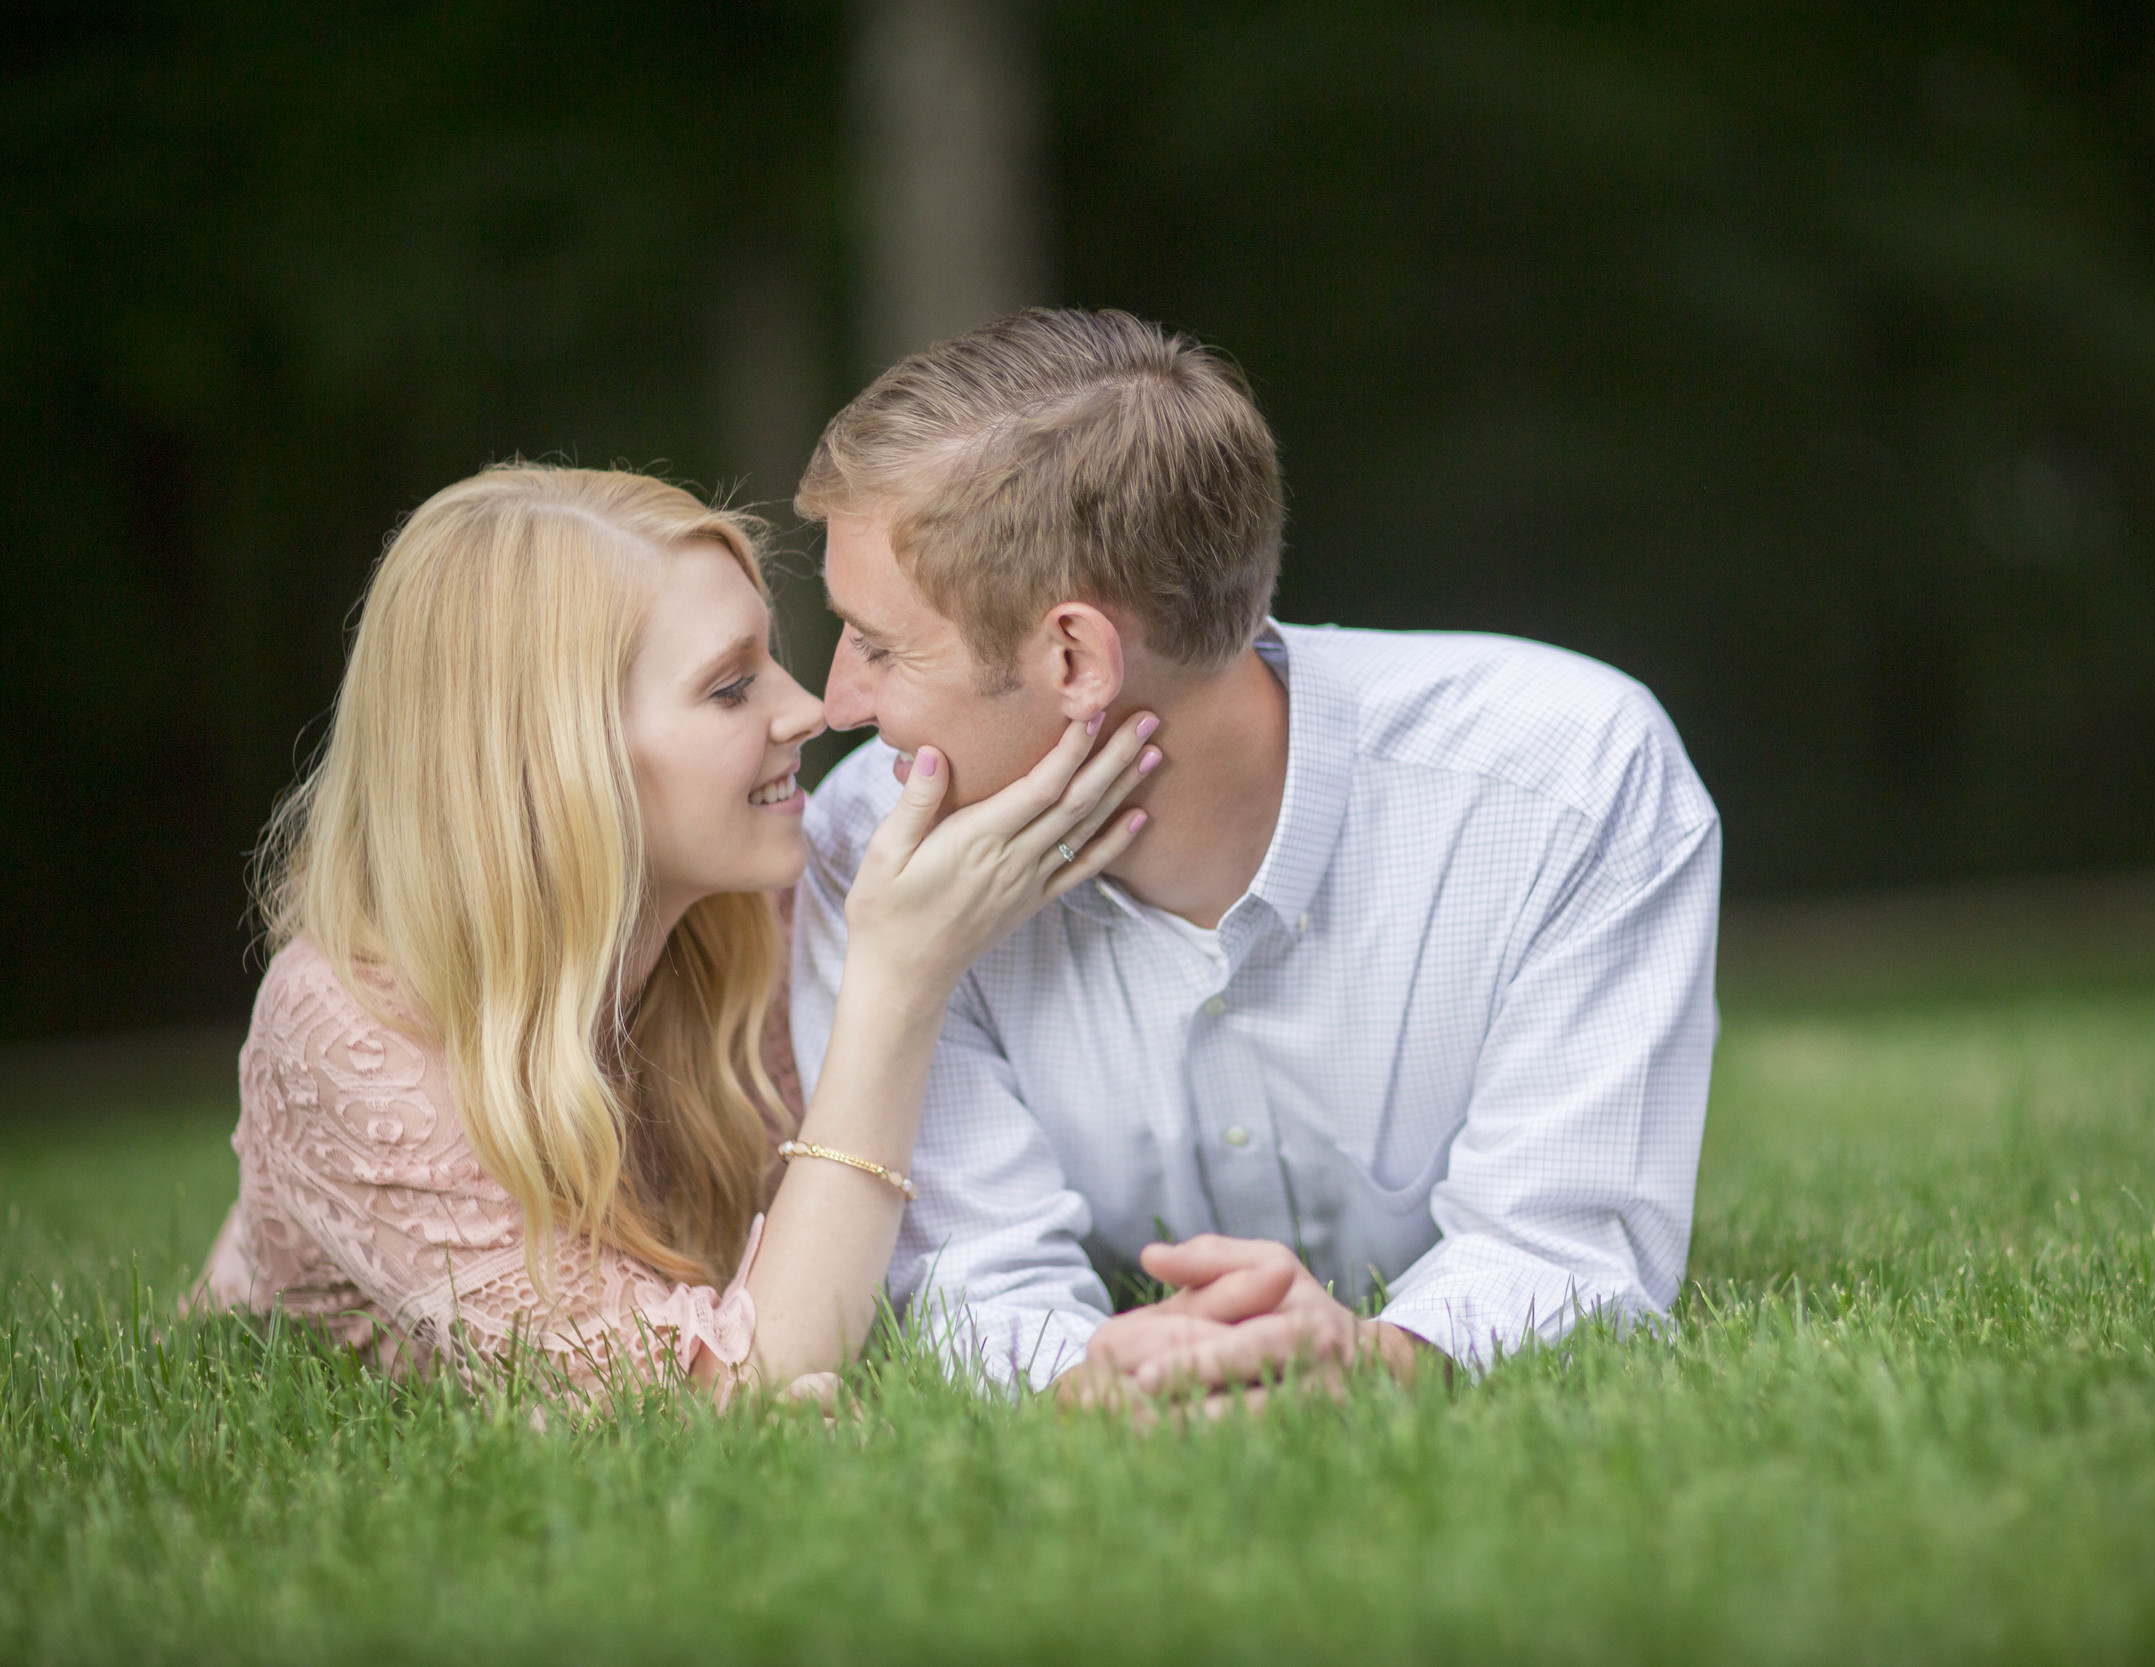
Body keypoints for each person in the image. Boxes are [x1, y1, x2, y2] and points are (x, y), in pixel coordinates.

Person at [789, 309, 1722, 1405]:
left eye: (883, 647)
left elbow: (1570, 1241)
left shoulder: (1568, 779)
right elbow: (976, 1273)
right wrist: (1099, 1390)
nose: (837, 700)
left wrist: (1378, 1361)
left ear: (1074, 655)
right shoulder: (873, 841)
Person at [186, 464, 1164, 1403]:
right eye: (732, 687)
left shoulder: (768, 904)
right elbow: (726, 1388)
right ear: (557, 762)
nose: (810, 708)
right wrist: (897, 983)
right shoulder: (349, 1022)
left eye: (771, 657)